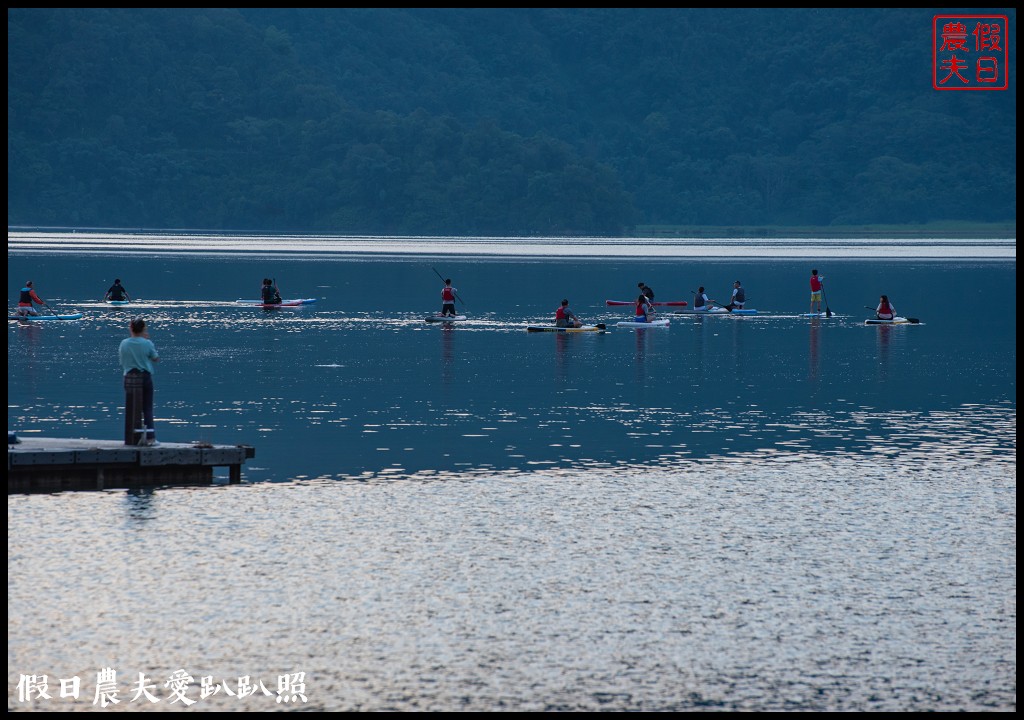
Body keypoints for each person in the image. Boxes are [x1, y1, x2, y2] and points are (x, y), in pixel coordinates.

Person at [119, 316, 160, 446]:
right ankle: (150, 438)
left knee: (132, 408)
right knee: (147, 408)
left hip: (129, 378)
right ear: (143, 329)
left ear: (131, 328)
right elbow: (155, 358)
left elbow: (122, 361)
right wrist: (147, 342)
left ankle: (131, 438)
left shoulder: (124, 343)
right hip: (145, 377)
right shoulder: (146, 343)